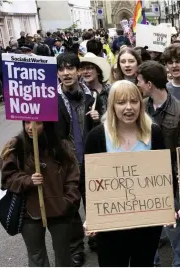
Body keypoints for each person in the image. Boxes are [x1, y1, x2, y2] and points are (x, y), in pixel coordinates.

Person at [84, 80, 166, 267]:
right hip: (111, 226)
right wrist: (92, 216)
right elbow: (86, 180)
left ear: (141, 103)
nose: (128, 108)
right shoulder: (97, 136)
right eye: (121, 102)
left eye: (133, 101)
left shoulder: (154, 133)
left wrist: (166, 210)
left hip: (146, 225)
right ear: (112, 105)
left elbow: (164, 174)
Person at [137, 61, 180, 267]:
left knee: (175, 226)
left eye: (140, 81)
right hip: (144, 175)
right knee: (146, 224)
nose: (138, 84)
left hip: (172, 177)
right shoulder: (140, 107)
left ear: (149, 84)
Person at [1, 121, 80, 267]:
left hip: (60, 210)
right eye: (27, 122)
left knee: (63, 255)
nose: (30, 127)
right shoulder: (15, 146)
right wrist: (27, 180)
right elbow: (8, 177)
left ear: (47, 124)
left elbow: (73, 176)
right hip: (29, 213)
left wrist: (68, 201)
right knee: (36, 257)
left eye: (37, 123)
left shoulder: (61, 145)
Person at [55, 52, 99, 266]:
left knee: (93, 201)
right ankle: (76, 247)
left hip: (90, 161)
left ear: (78, 71)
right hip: (66, 164)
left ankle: (95, 237)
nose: (66, 73)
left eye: (70, 68)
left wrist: (98, 120)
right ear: (57, 73)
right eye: (62, 69)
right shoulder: (50, 100)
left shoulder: (92, 97)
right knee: (71, 208)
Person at [80, 52, 111, 118]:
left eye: (89, 68)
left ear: (98, 71)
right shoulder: (80, 92)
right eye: (82, 68)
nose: (85, 72)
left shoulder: (110, 90)